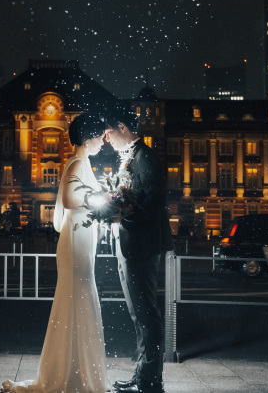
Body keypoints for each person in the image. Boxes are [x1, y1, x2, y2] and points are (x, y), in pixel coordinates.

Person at [2, 113, 110, 393]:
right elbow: (70, 199)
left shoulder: (80, 162)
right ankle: (73, 374)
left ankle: (72, 371)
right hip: (76, 239)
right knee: (79, 296)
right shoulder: (77, 162)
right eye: (100, 137)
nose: (103, 143)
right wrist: (103, 201)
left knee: (77, 298)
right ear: (87, 138)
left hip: (79, 236)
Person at [103, 107, 173, 393]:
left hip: (140, 245)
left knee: (146, 314)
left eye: (108, 132)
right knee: (139, 315)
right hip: (133, 244)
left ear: (122, 127)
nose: (106, 139)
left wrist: (118, 212)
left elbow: (151, 204)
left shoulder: (146, 157)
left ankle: (149, 381)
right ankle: (143, 376)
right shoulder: (135, 156)